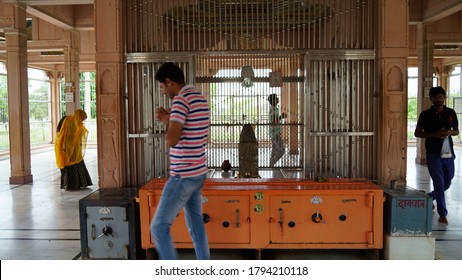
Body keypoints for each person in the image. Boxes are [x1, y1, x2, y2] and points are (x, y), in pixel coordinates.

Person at [150, 62, 210, 260]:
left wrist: (168, 122)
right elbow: (194, 130)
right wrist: (171, 120)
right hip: (198, 172)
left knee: (158, 226)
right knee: (196, 225)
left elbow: (171, 140)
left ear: (169, 82)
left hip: (183, 175)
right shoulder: (199, 98)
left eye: (162, 87)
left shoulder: (180, 101)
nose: (163, 92)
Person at [414, 86, 459, 225]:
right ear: (431, 99)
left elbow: (456, 131)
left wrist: (448, 133)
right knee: (439, 183)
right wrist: (433, 134)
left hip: (448, 153)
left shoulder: (450, 113)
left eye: (441, 97)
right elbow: (417, 133)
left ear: (444, 98)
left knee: (448, 180)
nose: (439, 99)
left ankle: (428, 197)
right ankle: (443, 214)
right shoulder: (425, 115)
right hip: (433, 154)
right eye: (436, 97)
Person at [54, 109, 93, 190]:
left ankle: (76, 183)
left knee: (76, 162)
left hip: (73, 147)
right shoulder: (67, 120)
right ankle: (72, 184)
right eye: (82, 118)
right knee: (70, 163)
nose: (82, 121)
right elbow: (60, 132)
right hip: (66, 146)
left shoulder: (77, 123)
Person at [267, 93, 286, 167]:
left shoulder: (273, 109)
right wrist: (282, 117)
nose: (278, 99)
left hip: (274, 132)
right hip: (275, 133)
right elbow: (274, 121)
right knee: (282, 150)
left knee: (274, 149)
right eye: (276, 98)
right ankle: (272, 162)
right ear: (273, 100)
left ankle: (271, 164)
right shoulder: (274, 110)